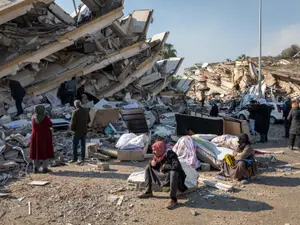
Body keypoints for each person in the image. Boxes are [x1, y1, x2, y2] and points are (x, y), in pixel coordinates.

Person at [138, 141, 188, 209]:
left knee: (174, 172)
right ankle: (148, 191)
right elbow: (158, 165)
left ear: (160, 149)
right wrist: (153, 164)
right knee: (148, 168)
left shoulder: (171, 154)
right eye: (153, 150)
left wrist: (165, 166)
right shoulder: (158, 154)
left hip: (175, 178)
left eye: (155, 150)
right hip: (164, 175)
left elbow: (177, 167)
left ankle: (173, 199)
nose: (153, 152)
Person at [30, 105, 54, 173]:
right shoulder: (45, 118)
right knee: (45, 151)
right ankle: (45, 168)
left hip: (35, 136)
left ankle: (35, 168)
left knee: (35, 152)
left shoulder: (33, 117)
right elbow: (50, 124)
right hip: (44, 137)